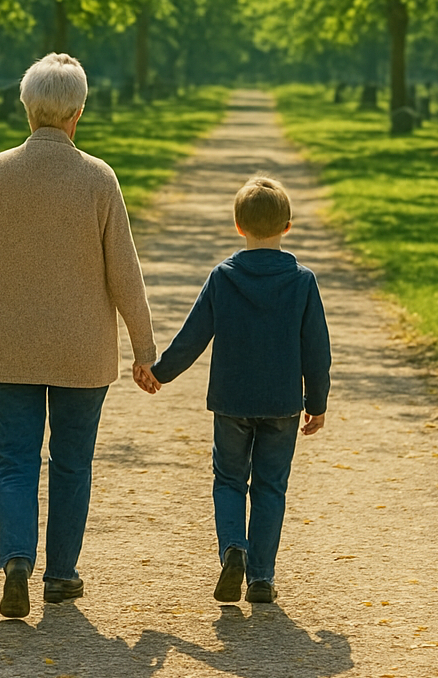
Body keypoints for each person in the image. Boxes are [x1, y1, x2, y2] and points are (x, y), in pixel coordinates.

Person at [0, 53, 160, 619]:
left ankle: (17, 561)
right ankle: (61, 575)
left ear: (27, 108)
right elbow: (124, 271)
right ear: (78, 113)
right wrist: (144, 349)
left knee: (15, 459)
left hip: (7, 344)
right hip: (81, 350)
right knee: (71, 463)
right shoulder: (99, 178)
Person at [150, 176, 331, 604]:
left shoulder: (223, 277)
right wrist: (317, 402)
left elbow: (193, 336)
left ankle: (234, 548)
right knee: (271, 486)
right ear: (287, 226)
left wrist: (160, 373)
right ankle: (262, 578)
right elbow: (316, 349)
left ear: (238, 225)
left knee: (230, 480)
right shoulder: (302, 281)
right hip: (282, 403)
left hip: (231, 401)